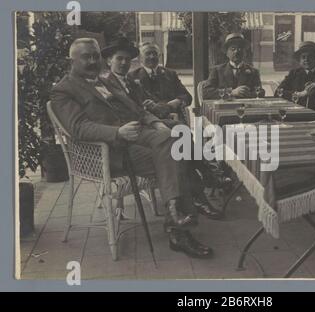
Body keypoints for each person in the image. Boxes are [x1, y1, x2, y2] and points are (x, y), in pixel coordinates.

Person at [51, 37, 213, 258]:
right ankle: (178, 226)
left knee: (176, 141)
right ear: (72, 60)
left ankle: (177, 217)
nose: (92, 61)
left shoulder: (106, 81)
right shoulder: (64, 90)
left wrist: (155, 122)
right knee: (175, 154)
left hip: (135, 138)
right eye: (86, 56)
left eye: (95, 56)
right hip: (108, 151)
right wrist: (116, 133)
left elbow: (135, 108)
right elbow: (79, 128)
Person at [128, 42, 192, 122]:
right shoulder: (132, 76)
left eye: (155, 53)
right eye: (148, 54)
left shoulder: (170, 74)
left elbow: (187, 96)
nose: (152, 57)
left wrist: (176, 102)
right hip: (148, 120)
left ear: (159, 56)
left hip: (172, 116)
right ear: (141, 57)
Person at [203, 33, 265, 99]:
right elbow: (206, 92)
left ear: (245, 53)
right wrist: (231, 92)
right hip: (224, 108)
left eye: (240, 48)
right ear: (227, 53)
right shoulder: (217, 70)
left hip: (246, 108)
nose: (236, 52)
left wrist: (249, 94)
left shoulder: (253, 72)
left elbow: (260, 92)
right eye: (233, 49)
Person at [275, 41, 315, 109]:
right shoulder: (294, 74)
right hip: (296, 113)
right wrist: (299, 94)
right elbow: (278, 92)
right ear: (299, 60)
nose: (306, 60)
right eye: (303, 57)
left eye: (310, 56)